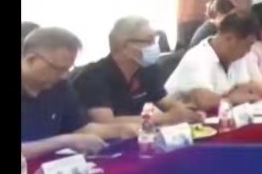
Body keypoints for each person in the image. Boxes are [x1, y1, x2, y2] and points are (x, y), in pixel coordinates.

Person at [21, 27, 137, 159]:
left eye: (68, 69)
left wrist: (122, 130)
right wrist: (64, 141)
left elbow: (80, 128)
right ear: (31, 60)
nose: (64, 76)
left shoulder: (60, 87)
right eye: (59, 69)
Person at [73, 16, 202, 126]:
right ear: (125, 47)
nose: (155, 46)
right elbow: (106, 122)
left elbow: (164, 101)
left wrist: (184, 113)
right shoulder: (93, 77)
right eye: (149, 41)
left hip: (136, 136)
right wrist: (166, 118)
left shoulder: (148, 69)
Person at [164, 12, 262, 112]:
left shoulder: (237, 57)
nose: (248, 51)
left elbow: (244, 89)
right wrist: (231, 98)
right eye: (247, 45)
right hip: (174, 119)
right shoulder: (197, 57)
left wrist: (231, 97)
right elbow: (203, 102)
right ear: (229, 38)